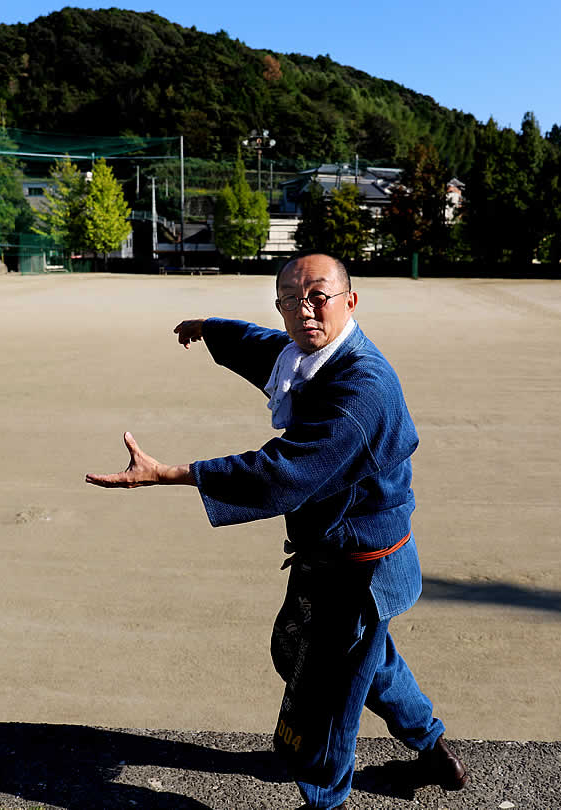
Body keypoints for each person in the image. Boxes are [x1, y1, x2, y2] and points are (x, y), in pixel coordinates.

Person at [86, 252, 467, 809]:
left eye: (319, 296)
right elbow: (267, 348)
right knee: (371, 662)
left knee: (330, 696)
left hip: (362, 570)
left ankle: (325, 801)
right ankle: (433, 749)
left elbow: (283, 473)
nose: (304, 310)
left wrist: (169, 474)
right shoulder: (312, 357)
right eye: (291, 299)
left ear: (350, 302)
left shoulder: (363, 389)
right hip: (338, 554)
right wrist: (211, 330)